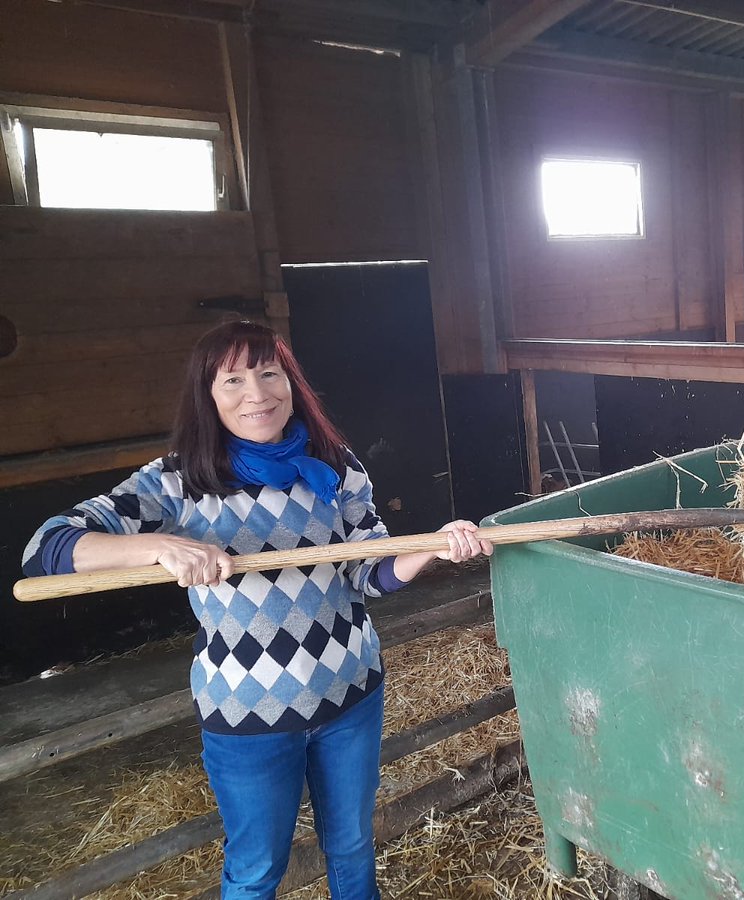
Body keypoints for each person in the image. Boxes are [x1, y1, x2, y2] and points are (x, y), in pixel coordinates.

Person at [23, 321, 493, 898]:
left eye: (269, 373)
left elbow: (366, 572)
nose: (257, 394)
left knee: (351, 845)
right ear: (207, 396)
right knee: (256, 869)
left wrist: (431, 546)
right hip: (248, 715)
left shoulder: (334, 465)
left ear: (292, 385)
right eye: (233, 380)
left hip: (350, 694)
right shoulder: (178, 482)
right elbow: (47, 547)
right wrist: (161, 547)